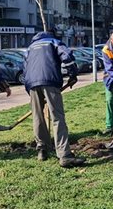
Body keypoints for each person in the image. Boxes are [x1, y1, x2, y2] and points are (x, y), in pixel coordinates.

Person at [23, 31, 85, 168]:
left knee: (37, 116)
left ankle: (42, 148)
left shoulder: (30, 47)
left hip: (32, 83)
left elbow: (25, 68)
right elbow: (67, 57)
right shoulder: (54, 42)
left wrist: (30, 88)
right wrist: (73, 74)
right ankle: (64, 155)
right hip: (50, 81)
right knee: (57, 117)